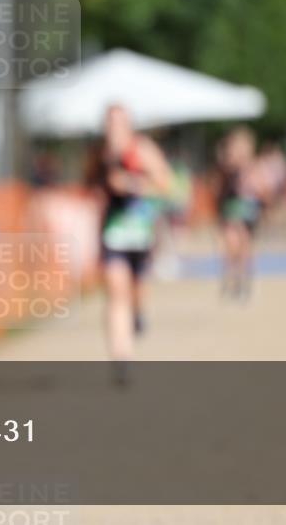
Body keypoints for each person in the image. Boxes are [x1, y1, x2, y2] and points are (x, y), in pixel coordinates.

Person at [97, 105, 172, 385]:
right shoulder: (100, 153)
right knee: (117, 293)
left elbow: (166, 184)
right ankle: (121, 358)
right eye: (110, 122)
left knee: (137, 293)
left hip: (141, 233)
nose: (114, 128)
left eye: (119, 122)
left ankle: (139, 315)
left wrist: (132, 184)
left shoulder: (144, 149)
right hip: (113, 233)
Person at [214, 126, 263, 301]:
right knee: (230, 243)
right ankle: (232, 279)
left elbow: (262, 188)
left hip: (247, 208)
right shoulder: (227, 167)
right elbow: (220, 189)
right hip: (231, 208)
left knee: (244, 244)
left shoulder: (253, 166)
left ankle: (243, 281)